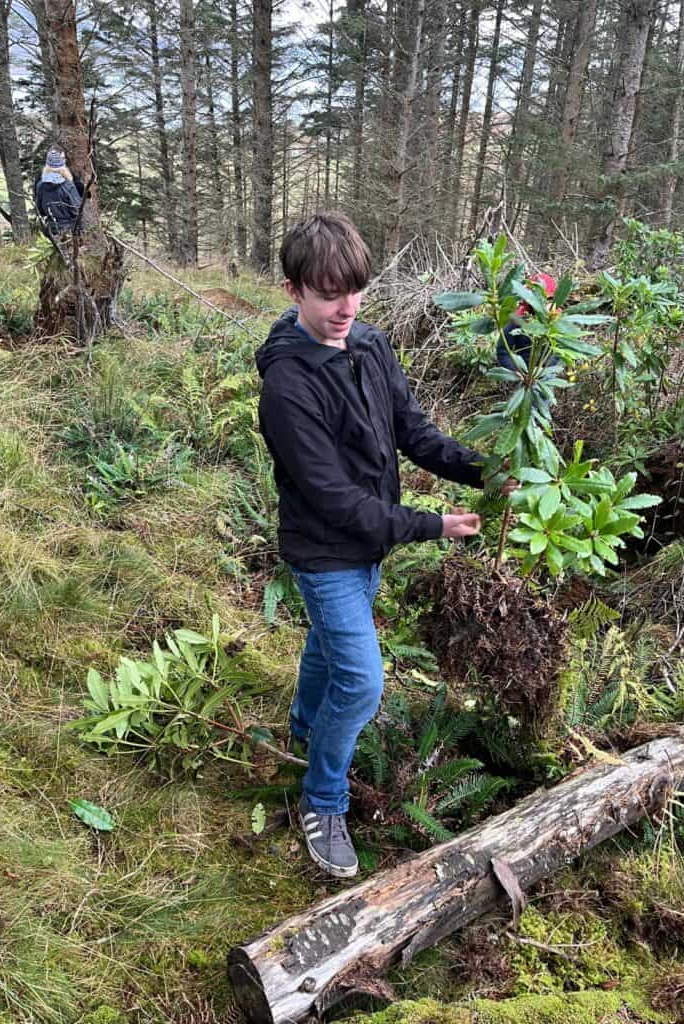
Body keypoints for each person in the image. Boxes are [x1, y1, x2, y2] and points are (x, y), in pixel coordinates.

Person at [256, 212, 513, 878]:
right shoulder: (287, 387)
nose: (347, 308)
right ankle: (323, 799)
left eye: (356, 291)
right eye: (328, 293)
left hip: (369, 545)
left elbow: (415, 432)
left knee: (327, 648)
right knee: (364, 683)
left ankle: (305, 731)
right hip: (325, 551)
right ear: (294, 291)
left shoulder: (368, 345)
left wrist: (489, 470)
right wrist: (433, 525)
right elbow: (336, 501)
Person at [496, 271, 559, 373]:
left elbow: (559, 351)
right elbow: (503, 351)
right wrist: (516, 371)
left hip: (546, 373)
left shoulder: (556, 321)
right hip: (522, 374)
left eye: (548, 299)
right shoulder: (518, 321)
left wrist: (545, 370)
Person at [35, 145, 83, 237]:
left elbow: (40, 209)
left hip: (52, 230)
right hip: (71, 231)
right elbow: (76, 210)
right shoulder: (67, 185)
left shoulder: (40, 185)